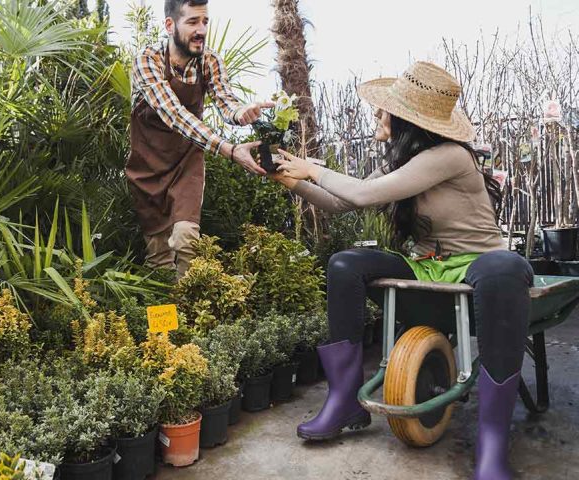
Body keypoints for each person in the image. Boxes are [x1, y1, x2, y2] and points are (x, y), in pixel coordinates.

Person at [271, 61, 532, 480]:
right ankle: (344, 401)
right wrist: (285, 177)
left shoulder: (449, 156)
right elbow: (340, 202)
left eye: (383, 110)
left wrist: (313, 168)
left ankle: (493, 446)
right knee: (344, 264)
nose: (377, 116)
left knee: (505, 267)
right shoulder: (403, 161)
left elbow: (360, 194)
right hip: (426, 267)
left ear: (407, 119)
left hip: (477, 266)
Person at [127, 0, 271, 277]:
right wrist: (230, 150)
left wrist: (243, 113)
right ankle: (170, 318)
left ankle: (193, 314)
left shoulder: (210, 61)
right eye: (193, 22)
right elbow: (174, 114)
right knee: (159, 258)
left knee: (186, 239)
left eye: (205, 22)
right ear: (170, 25)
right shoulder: (148, 60)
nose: (202, 30)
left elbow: (226, 102)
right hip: (147, 166)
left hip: (187, 161)